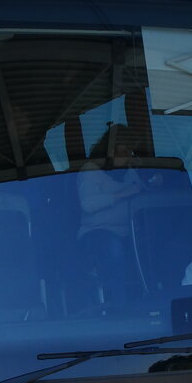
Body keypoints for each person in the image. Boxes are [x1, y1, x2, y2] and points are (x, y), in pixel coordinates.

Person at [76, 127, 145, 302]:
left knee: (151, 244)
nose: (127, 155)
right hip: (96, 235)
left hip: (129, 234)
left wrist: (143, 173)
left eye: (130, 151)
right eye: (124, 151)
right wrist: (122, 194)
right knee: (113, 248)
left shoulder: (129, 173)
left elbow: (142, 194)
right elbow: (87, 204)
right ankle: (119, 303)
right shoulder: (90, 170)